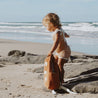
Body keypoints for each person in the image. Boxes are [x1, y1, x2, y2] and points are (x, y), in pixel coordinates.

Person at [42, 13, 71, 94]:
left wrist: (51, 51)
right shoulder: (59, 29)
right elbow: (65, 34)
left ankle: (61, 81)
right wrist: (66, 35)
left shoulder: (58, 32)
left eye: (46, 26)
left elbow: (56, 43)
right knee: (55, 63)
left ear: (51, 24)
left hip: (64, 51)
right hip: (59, 51)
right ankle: (56, 78)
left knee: (60, 65)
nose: (46, 28)